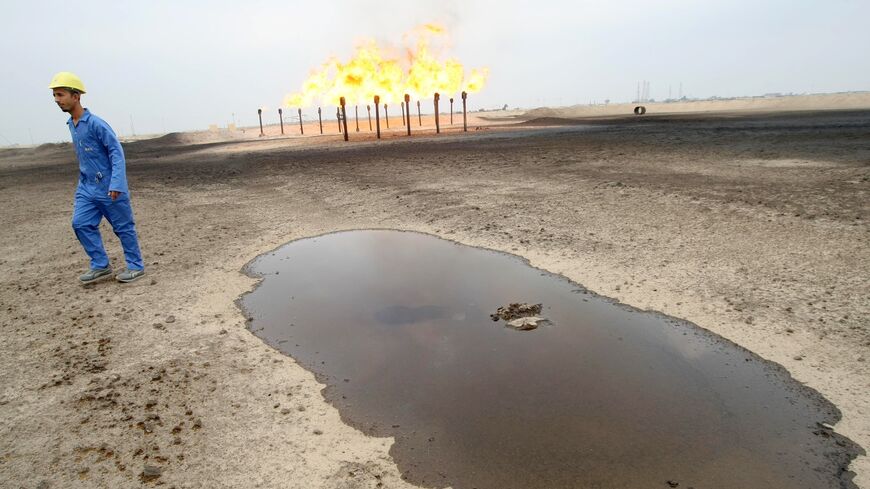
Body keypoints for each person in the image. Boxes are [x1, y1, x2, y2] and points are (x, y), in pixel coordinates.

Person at [50, 72, 145, 284]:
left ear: (76, 96)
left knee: (123, 228)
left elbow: (116, 152)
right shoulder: (72, 125)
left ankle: (135, 266)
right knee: (81, 223)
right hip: (86, 187)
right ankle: (100, 265)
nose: (57, 100)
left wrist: (117, 183)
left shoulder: (96, 124)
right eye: (55, 96)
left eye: (61, 94)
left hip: (109, 186)